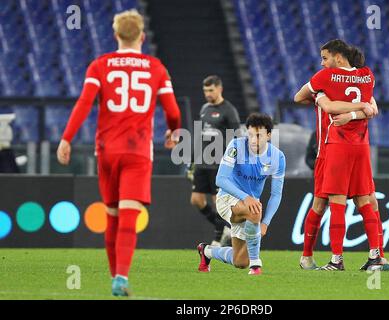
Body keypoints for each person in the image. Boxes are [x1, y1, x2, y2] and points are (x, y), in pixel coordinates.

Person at [56, 10, 182, 296]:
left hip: (107, 151)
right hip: (137, 151)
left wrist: (66, 138)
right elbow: (173, 111)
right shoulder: (155, 67)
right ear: (142, 36)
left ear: (115, 35)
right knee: (128, 215)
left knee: (112, 214)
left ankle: (116, 276)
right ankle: (121, 278)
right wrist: (174, 132)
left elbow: (84, 104)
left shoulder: (100, 65)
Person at [294, 39, 389, 271]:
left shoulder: (324, 79)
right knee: (366, 198)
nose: (322, 62)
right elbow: (372, 107)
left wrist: (319, 98)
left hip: (331, 148)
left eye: (325, 58)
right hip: (361, 146)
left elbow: (300, 97)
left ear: (338, 57)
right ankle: (377, 257)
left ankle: (327, 259)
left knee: (327, 202)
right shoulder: (367, 76)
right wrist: (359, 111)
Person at [197, 113, 285, 275]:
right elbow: (221, 179)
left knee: (240, 261)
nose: (253, 140)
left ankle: (207, 251)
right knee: (254, 210)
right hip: (227, 199)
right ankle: (256, 265)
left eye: (258, 135)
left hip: (250, 207)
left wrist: (265, 223)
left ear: (269, 135)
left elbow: (276, 194)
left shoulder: (278, 157)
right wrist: (246, 197)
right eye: (250, 134)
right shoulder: (236, 145)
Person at [190, 75, 241, 246]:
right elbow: (199, 135)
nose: (208, 94)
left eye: (211, 90)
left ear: (220, 89)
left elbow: (236, 137)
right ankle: (221, 227)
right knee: (196, 200)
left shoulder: (229, 110)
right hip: (202, 162)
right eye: (205, 91)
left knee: (217, 202)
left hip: (218, 164)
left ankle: (219, 236)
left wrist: (233, 162)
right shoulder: (204, 108)